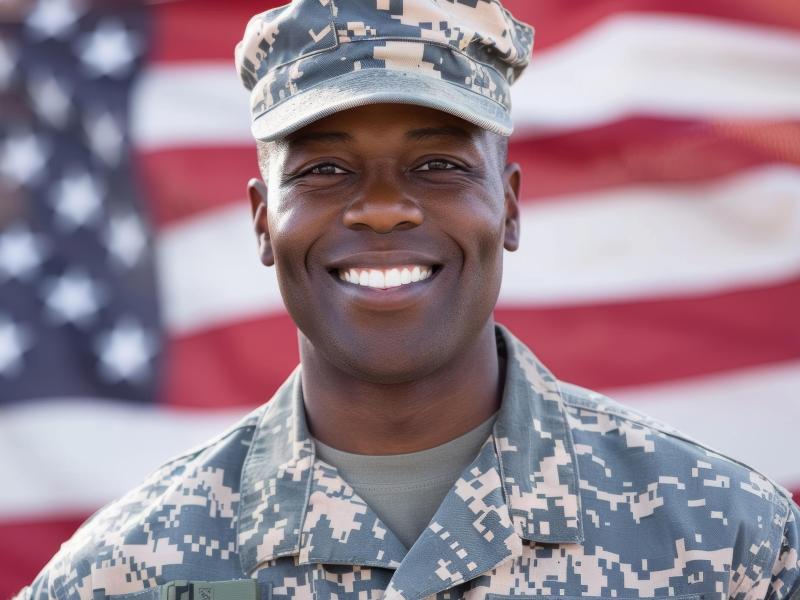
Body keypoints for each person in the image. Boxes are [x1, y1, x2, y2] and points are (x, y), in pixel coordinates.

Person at [17, 1, 800, 599]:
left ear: (510, 207)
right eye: (324, 171)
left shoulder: (733, 545)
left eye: (438, 166)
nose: (384, 208)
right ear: (263, 221)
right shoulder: (116, 576)